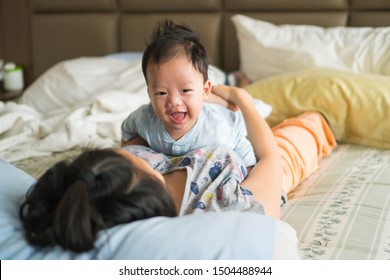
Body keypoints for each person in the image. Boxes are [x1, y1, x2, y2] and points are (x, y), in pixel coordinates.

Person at [19, 84, 336, 253]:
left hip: (210, 139)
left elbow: (132, 143)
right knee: (307, 126)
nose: (123, 151)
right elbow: (270, 159)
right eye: (120, 155)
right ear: (138, 178)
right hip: (257, 163)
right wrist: (246, 102)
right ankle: (315, 114)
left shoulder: (124, 185)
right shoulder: (231, 206)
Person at [121, 19, 267, 168]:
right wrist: (126, 145)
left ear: (205, 90)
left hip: (230, 115)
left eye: (185, 90)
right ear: (150, 93)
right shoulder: (144, 118)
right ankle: (215, 95)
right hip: (199, 100)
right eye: (161, 93)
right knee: (192, 99)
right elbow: (127, 128)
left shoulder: (215, 128)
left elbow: (242, 146)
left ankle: (238, 89)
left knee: (245, 110)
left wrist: (249, 172)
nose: (174, 101)